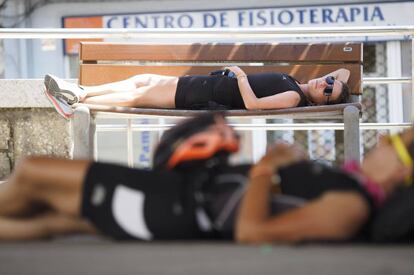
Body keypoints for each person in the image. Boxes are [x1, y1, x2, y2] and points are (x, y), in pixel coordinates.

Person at [1, 113, 413, 243]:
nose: (383, 138)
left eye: (392, 141)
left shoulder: (351, 206)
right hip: (183, 194)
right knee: (52, 219)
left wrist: (267, 166)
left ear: (400, 171)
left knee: (32, 173)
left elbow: (253, 231)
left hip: (175, 208)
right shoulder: (350, 183)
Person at [43, 67, 350, 119]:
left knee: (140, 96)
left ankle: (78, 102)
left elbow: (254, 106)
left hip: (205, 97)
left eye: (328, 92)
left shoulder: (294, 96)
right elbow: (343, 75)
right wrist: (340, 86)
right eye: (327, 82)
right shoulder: (295, 82)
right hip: (204, 83)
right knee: (143, 79)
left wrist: (241, 76)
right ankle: (81, 92)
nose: (325, 83)